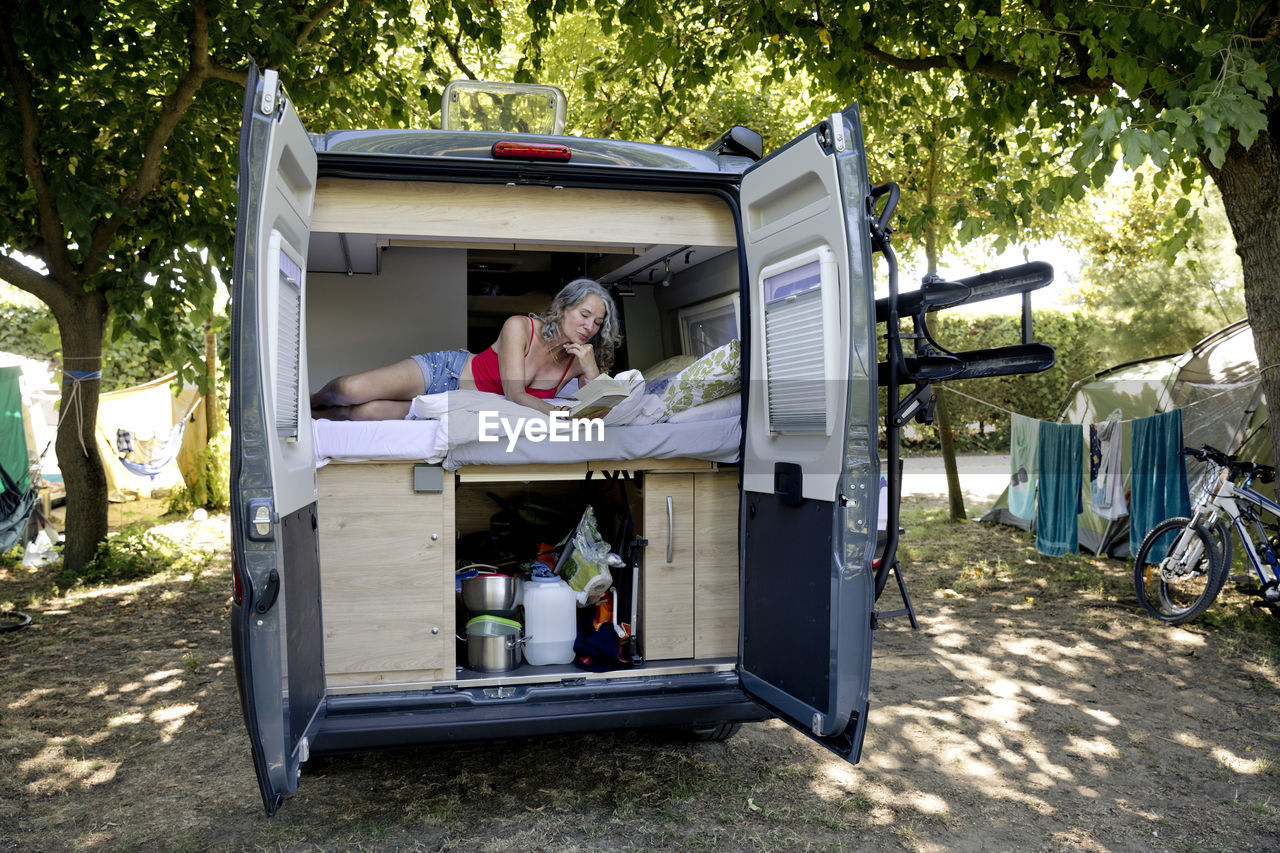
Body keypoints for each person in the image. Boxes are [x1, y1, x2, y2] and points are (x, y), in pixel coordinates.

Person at [311, 278, 621, 420]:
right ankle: (307, 404)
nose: (589, 327)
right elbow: (515, 395)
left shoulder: (581, 361)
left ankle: (315, 418)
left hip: (455, 407)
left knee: (365, 413)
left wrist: (593, 370)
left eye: (597, 323)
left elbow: (599, 416)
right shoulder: (520, 327)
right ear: (563, 307)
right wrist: (556, 413)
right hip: (445, 372)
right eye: (584, 315)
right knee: (351, 389)